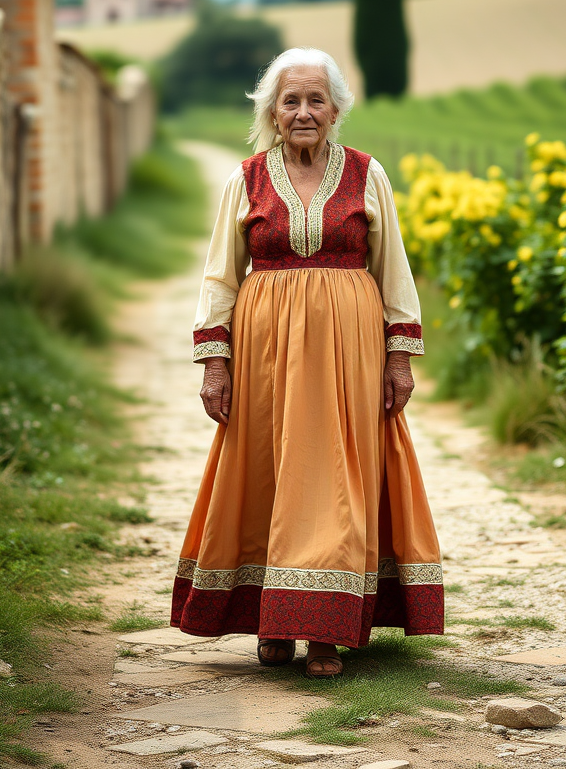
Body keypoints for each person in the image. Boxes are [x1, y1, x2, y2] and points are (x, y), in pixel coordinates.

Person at [170, 47, 443, 678]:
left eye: (315, 99)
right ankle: (274, 620)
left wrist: (399, 357)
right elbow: (220, 275)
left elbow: (392, 269)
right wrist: (217, 362)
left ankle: (325, 629)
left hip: (350, 350)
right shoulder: (246, 179)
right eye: (290, 100)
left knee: (336, 478)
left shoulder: (368, 175)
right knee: (268, 470)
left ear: (337, 107)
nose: (303, 112)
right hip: (265, 349)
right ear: (271, 108)